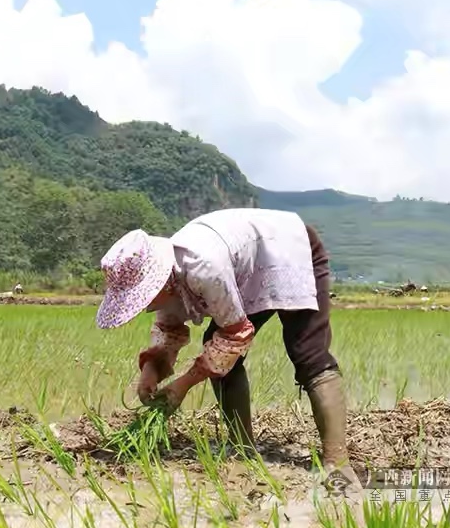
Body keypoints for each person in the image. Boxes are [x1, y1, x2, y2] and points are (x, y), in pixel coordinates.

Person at [95, 208, 359, 486]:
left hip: (294, 251)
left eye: (144, 296)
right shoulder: (170, 280)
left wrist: (183, 384)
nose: (145, 305)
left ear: (159, 279)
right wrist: (150, 370)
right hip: (252, 267)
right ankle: (243, 452)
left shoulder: (202, 268)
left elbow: (234, 335)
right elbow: (168, 330)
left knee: (307, 353)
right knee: (217, 346)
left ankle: (337, 462)